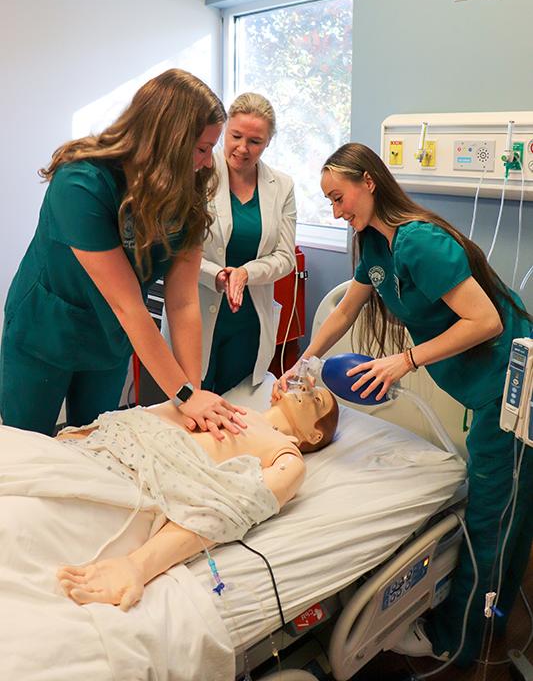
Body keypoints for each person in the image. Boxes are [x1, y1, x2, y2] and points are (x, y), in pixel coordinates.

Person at [274, 142, 533, 667]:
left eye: (339, 197)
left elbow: (485, 322)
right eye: (329, 202)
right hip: (482, 384)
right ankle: (492, 611)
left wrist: (404, 360)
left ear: (369, 181)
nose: (336, 211)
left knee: (492, 512)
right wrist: (303, 362)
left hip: (508, 381)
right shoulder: (373, 245)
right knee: (507, 502)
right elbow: (347, 308)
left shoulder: (420, 242)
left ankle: (457, 641)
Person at [0, 69, 245, 438]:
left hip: (109, 340)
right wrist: (182, 394)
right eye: (201, 148)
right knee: (27, 452)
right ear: (168, 141)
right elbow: (126, 304)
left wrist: (190, 394)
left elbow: (182, 303)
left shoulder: (187, 189)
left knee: (100, 445)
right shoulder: (81, 182)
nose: (210, 162)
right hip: (46, 333)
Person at [54, 385, 339, 611]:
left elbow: (227, 508)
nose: (307, 391)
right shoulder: (233, 408)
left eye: (317, 401)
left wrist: (138, 566)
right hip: (80, 446)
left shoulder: (287, 455)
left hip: (121, 479)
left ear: (314, 436)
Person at [166, 92, 296, 395]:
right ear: (225, 131)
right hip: (196, 312)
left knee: (237, 412)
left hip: (248, 322)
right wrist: (218, 275)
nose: (242, 148)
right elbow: (177, 249)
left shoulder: (282, 186)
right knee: (190, 406)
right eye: (235, 136)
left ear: (268, 143)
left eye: (255, 141)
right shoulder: (198, 173)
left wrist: (246, 273)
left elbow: (285, 257)